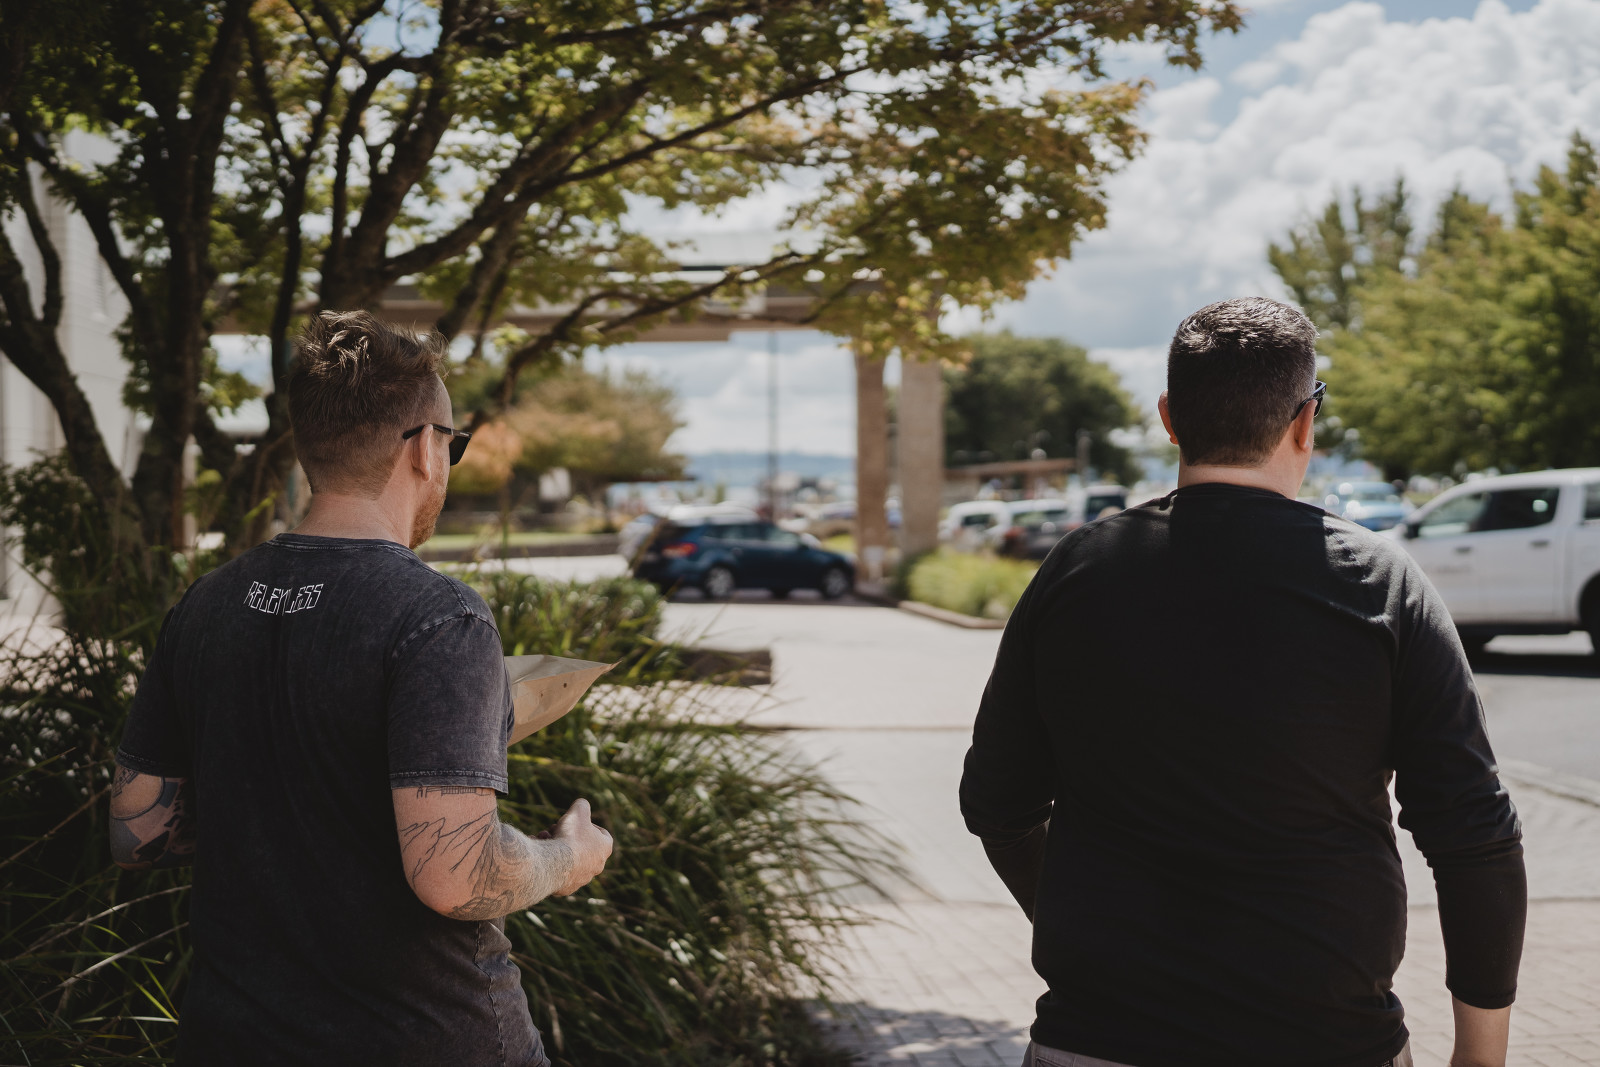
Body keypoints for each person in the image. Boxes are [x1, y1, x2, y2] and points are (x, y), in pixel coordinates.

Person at [960, 297, 1525, 1067]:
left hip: (1095, 1037)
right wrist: (1481, 1058)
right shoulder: (1380, 583)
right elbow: (1476, 834)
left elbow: (996, 802)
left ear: (1170, 417)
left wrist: (1086, 930)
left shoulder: (1077, 570)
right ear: (1306, 422)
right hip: (1330, 1043)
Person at [109, 310, 613, 1066]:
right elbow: (456, 876)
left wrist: (288, 786)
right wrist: (567, 858)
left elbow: (137, 833)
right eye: (452, 444)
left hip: (233, 1039)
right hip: (426, 1039)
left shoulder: (206, 605)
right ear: (424, 448)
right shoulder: (439, 617)